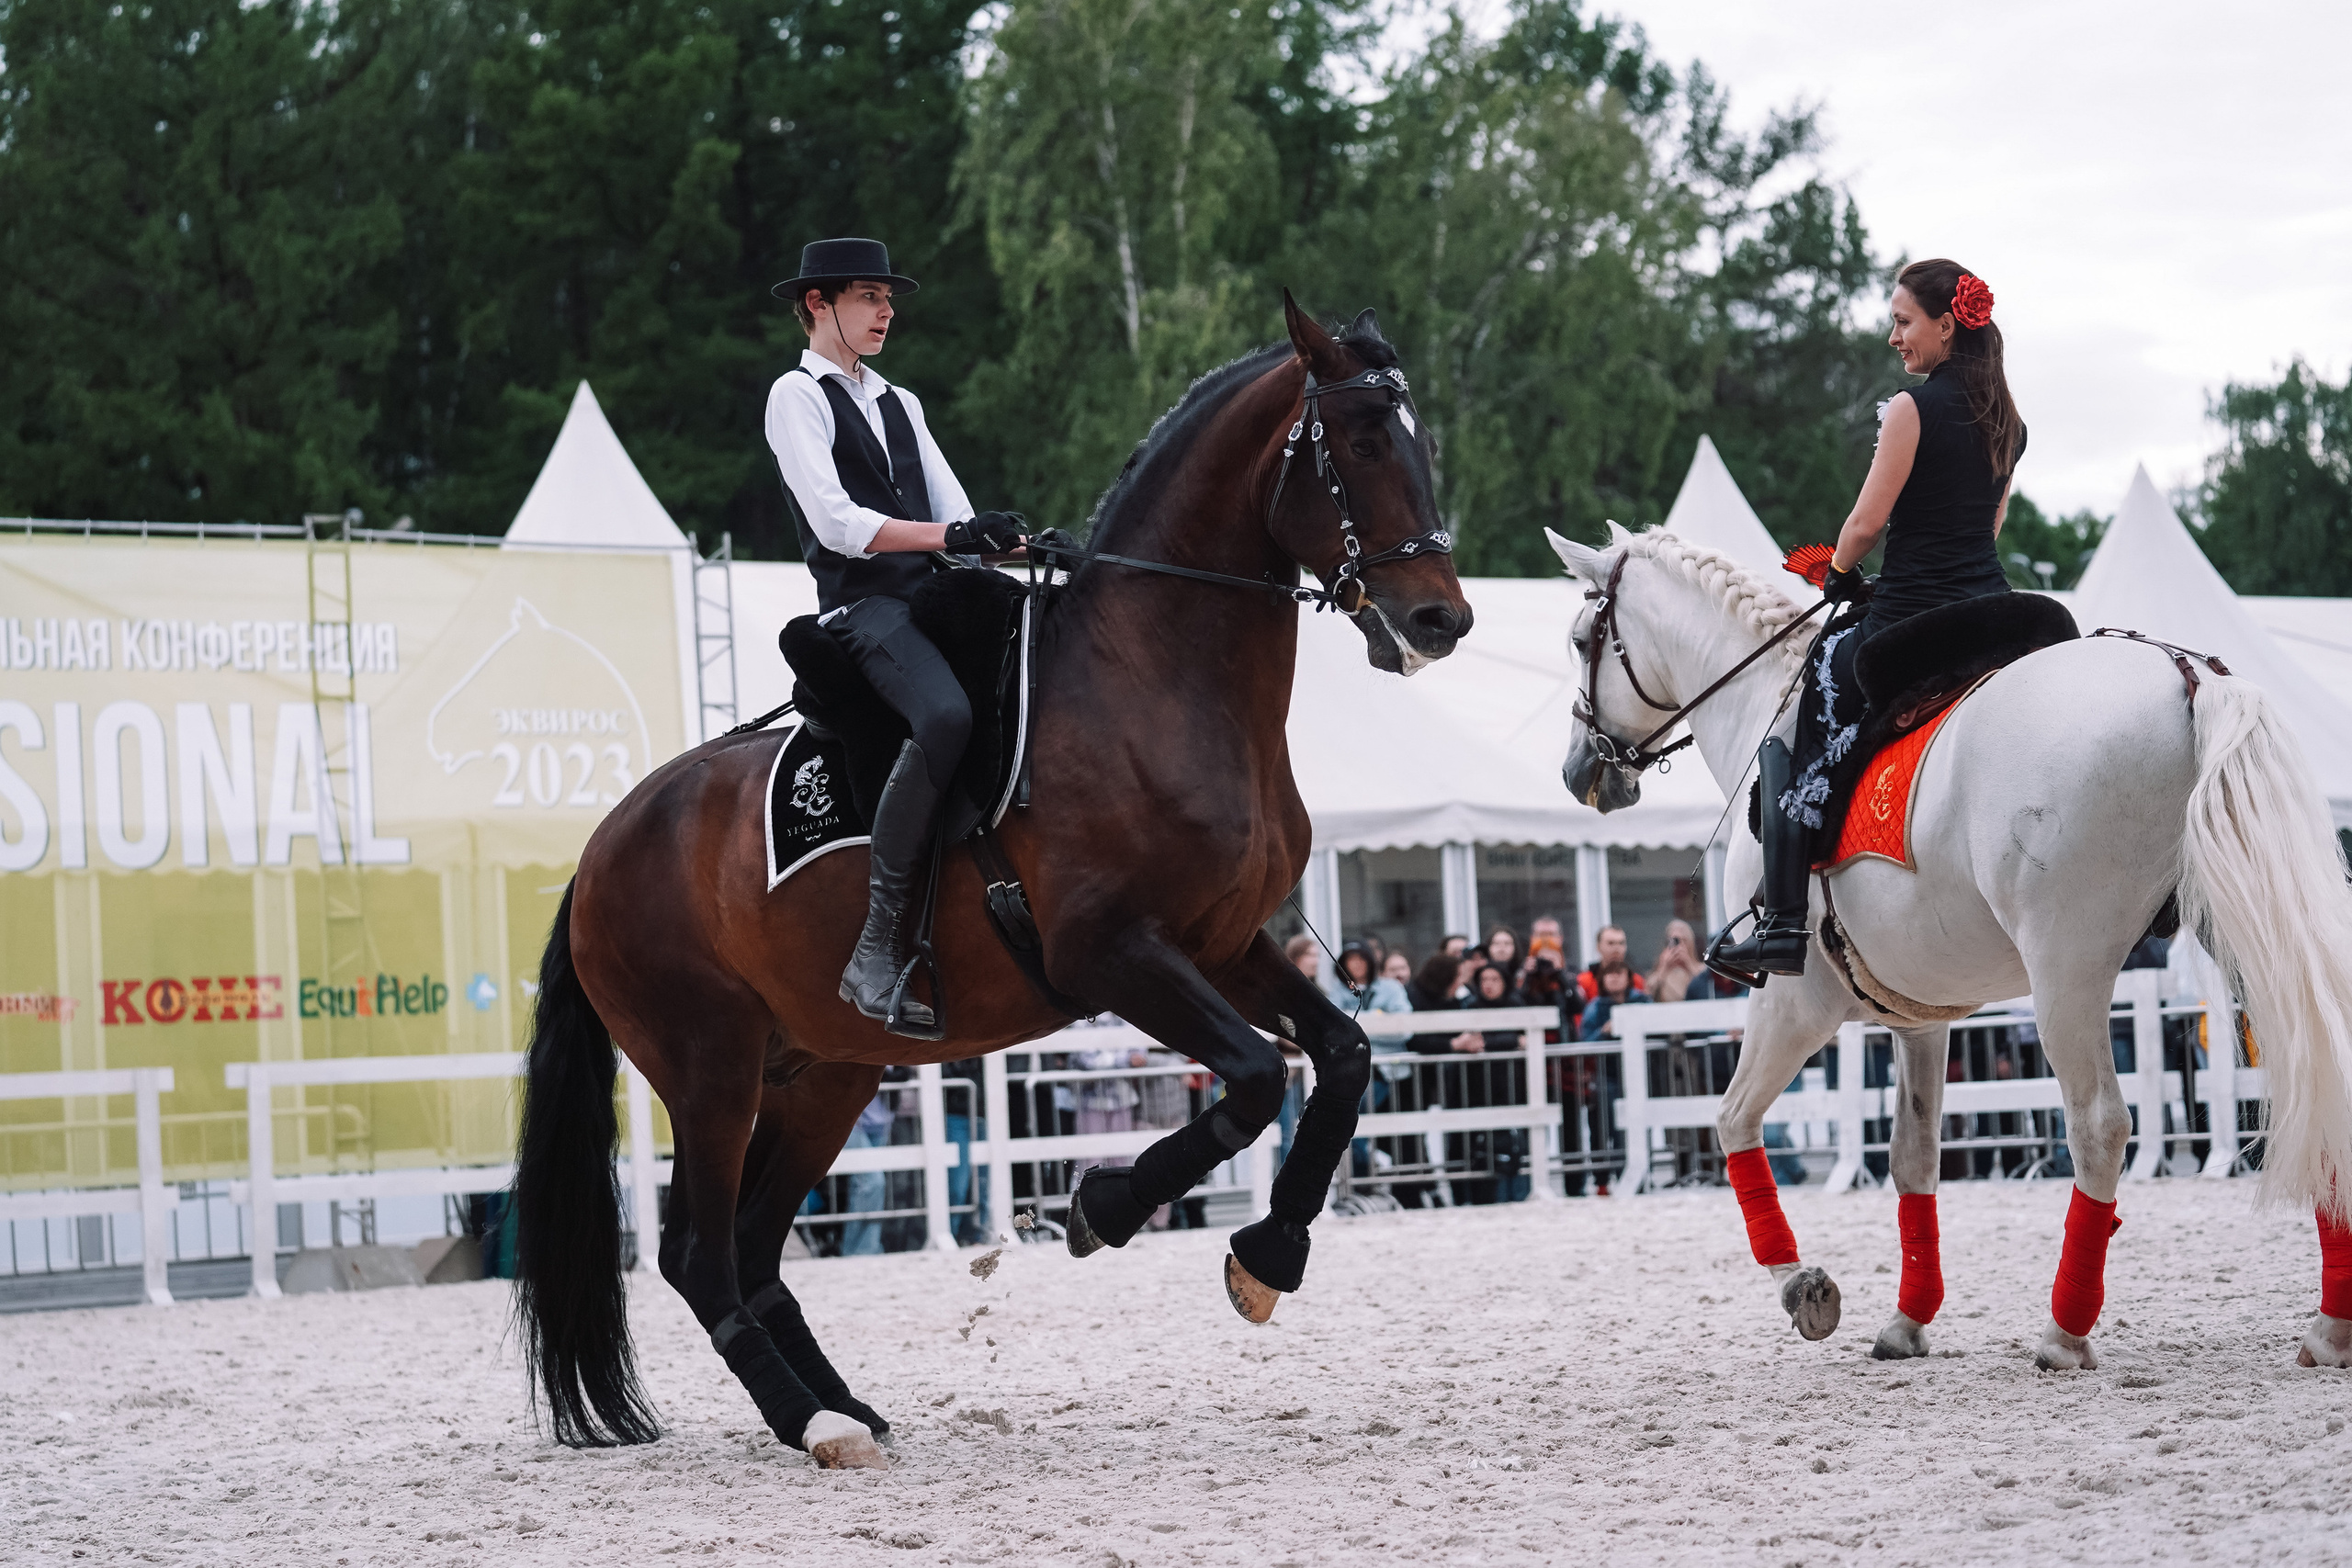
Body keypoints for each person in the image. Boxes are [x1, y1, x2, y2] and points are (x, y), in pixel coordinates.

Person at [1712, 259, 2026, 978]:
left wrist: (1842, 573)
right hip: (1994, 612)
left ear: (1945, 326)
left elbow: (1863, 523)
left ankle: (1783, 922)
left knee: (1807, 708)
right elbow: (1990, 527)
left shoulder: (1910, 409)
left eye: (1903, 321)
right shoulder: (2010, 422)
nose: (1894, 337)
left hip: (1912, 616)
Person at [765, 237, 1026, 1032]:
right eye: (870, 297)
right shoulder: (795, 396)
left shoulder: (901, 402)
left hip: (933, 596)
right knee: (944, 714)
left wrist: (1024, 545)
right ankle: (876, 948)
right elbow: (840, 525)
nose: (886, 313)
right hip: (863, 609)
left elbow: (957, 513)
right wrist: (954, 535)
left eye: (888, 300)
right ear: (819, 304)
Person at [1577, 962, 1645, 1042]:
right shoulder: (1594, 1008)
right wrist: (1604, 1032)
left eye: (1619, 973)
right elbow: (1585, 1042)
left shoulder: (1642, 1001)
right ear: (1602, 980)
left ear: (1628, 979)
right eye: (1610, 974)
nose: (1614, 978)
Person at [1645, 919, 1706, 1003]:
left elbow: (1708, 989)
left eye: (1684, 940)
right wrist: (1664, 968)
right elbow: (1648, 996)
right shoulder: (1658, 974)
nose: (1680, 946)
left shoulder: (1702, 970)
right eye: (1676, 941)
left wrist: (1689, 966)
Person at [1576, 925, 1631, 1003]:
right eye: (1611, 943)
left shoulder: (1636, 981)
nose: (1616, 948)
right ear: (1598, 947)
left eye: (1621, 943)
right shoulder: (1585, 982)